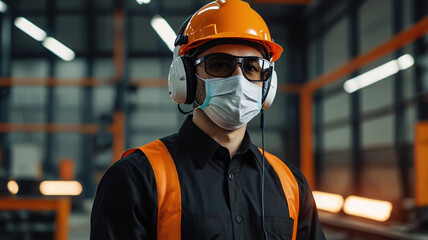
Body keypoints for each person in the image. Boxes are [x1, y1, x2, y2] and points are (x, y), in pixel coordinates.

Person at [90, 0, 326, 239]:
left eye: (252, 68)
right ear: (185, 79)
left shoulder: (293, 186)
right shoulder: (136, 178)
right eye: (220, 65)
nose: (239, 81)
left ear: (267, 86)